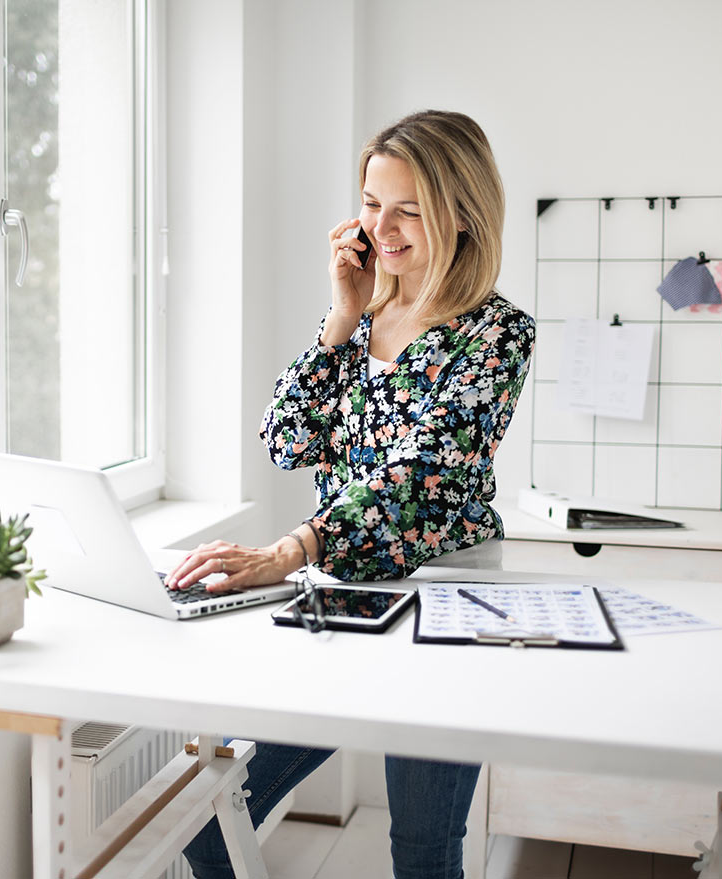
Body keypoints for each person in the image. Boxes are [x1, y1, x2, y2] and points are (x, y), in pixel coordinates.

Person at [164, 109, 534, 878]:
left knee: (423, 850)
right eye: (371, 202)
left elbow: (423, 478)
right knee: (209, 820)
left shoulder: (497, 334)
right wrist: (341, 314)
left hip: (447, 608)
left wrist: (290, 548)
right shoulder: (359, 319)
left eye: (408, 208)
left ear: (461, 215)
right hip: (343, 593)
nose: (383, 226)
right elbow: (286, 441)